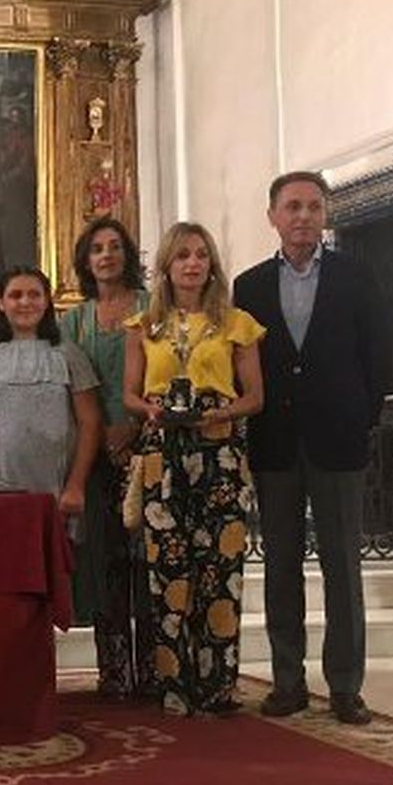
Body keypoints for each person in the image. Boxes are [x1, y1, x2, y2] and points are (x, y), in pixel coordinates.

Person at [233, 171, 385, 726]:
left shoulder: (357, 276)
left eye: (313, 207)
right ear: (272, 215)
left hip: (338, 441)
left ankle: (346, 685)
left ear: (326, 215)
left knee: (343, 567)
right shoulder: (247, 288)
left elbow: (381, 354)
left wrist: (362, 419)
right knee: (280, 567)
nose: (302, 216)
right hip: (275, 443)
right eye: (291, 206)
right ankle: (288, 681)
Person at [123, 222, 265, 718]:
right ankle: (174, 682)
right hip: (163, 456)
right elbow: (129, 394)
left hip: (219, 455)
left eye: (201, 255)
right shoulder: (145, 326)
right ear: (166, 264)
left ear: (211, 264)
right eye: (182, 255)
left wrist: (219, 412)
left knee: (219, 570)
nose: (192, 263)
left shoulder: (236, 323)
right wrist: (151, 411)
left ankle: (216, 682)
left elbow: (255, 396)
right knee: (169, 571)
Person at [58, 218, 154, 697]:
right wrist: (103, 435)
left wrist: (135, 428)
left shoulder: (152, 309)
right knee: (107, 559)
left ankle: (152, 667)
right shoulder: (73, 321)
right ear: (85, 259)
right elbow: (70, 392)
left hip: (151, 444)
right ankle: (114, 668)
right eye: (97, 248)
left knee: (149, 560)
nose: (107, 255)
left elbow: (166, 372)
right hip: (95, 454)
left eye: (115, 246)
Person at [0, 268, 102, 516]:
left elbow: (90, 423)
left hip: (57, 490)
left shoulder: (69, 353)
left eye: (35, 295)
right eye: (15, 295)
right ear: (1, 303)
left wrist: (76, 486)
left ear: (47, 301)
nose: (25, 302)